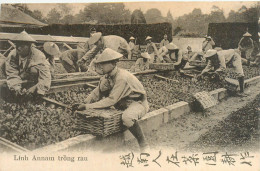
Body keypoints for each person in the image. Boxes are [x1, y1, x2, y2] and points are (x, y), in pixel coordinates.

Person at [74, 48, 150, 152]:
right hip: (122, 104)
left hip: (138, 103)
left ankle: (143, 144)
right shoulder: (107, 76)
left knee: (127, 118)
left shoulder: (122, 77)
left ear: (113, 64)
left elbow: (111, 100)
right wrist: (84, 103)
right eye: (100, 63)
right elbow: (97, 92)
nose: (101, 66)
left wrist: (87, 107)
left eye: (104, 63)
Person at [4, 31, 51, 99]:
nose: (18, 48)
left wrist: (36, 87)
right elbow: (12, 73)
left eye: (22, 46)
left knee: (33, 69)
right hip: (21, 76)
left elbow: (45, 77)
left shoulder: (39, 56)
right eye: (17, 46)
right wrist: (16, 87)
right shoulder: (12, 55)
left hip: (35, 79)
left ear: (29, 46)